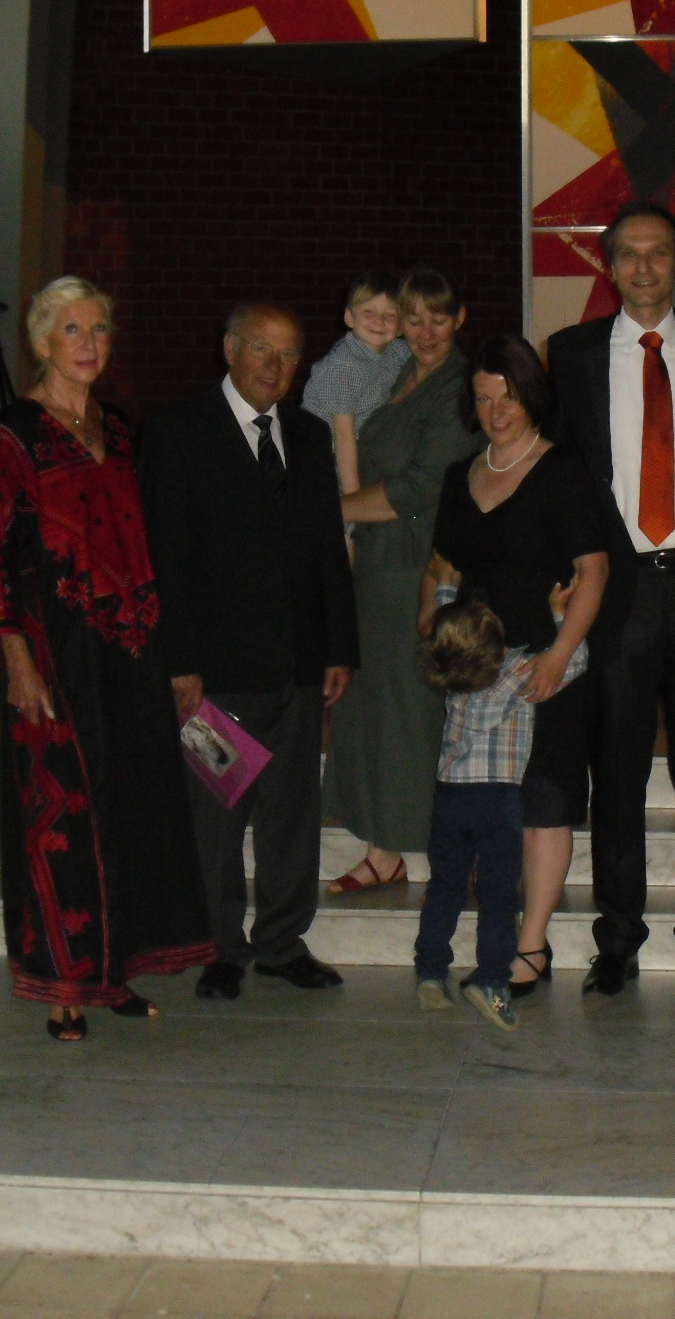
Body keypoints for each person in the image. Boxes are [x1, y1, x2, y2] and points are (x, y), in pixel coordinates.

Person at [0, 276, 215, 1042]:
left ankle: (113, 976)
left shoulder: (121, 430)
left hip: (132, 652)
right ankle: (64, 989)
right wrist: (17, 659)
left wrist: (177, 657)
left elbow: (157, 544)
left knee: (130, 810)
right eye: (72, 329)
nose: (88, 343)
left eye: (100, 329)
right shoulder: (11, 436)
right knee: (62, 818)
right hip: (57, 653)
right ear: (43, 341)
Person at [546, 201, 675, 999]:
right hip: (617, 589)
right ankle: (618, 940)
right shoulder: (571, 354)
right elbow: (558, 471)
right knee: (617, 774)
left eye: (658, 252)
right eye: (627, 254)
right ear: (609, 266)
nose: (643, 267)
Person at [138, 303, 358, 999]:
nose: (275, 366)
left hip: (297, 666)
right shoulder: (177, 434)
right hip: (215, 674)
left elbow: (327, 549)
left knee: (291, 812)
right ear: (230, 348)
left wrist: (338, 647)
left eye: (289, 354)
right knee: (215, 813)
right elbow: (164, 557)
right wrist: (178, 661)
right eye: (262, 349)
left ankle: (283, 942)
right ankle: (220, 948)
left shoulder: (308, 434)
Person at [432, 335, 609, 993]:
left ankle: (530, 945)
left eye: (507, 397)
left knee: (544, 805)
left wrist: (559, 657)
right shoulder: (459, 476)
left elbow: (594, 570)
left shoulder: (563, 469)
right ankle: (497, 937)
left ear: (531, 396)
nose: (496, 411)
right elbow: (442, 568)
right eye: (483, 399)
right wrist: (436, 631)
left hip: (546, 662)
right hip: (478, 674)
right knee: (488, 811)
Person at [321, 268, 479, 892]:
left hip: (415, 563)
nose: (425, 331)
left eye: (439, 318)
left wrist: (324, 512)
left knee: (411, 710)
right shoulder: (394, 371)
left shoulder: (458, 388)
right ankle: (384, 848)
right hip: (372, 561)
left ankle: (435, 848)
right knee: (372, 708)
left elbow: (418, 489)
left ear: (460, 319)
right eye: (413, 318)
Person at [413, 574, 590, 1031]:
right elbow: (574, 661)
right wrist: (559, 613)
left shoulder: (450, 676)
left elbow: (440, 630)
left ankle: (430, 972)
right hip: (497, 800)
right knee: (498, 897)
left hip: (450, 797)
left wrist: (446, 587)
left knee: (445, 887)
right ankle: (491, 980)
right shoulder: (516, 673)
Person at [300, 271, 410, 496]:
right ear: (350, 317)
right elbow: (343, 437)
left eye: (390, 315)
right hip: (325, 461)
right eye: (369, 312)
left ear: (401, 326)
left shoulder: (398, 352)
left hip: (365, 452)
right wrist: (354, 500)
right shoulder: (343, 366)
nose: (379, 321)